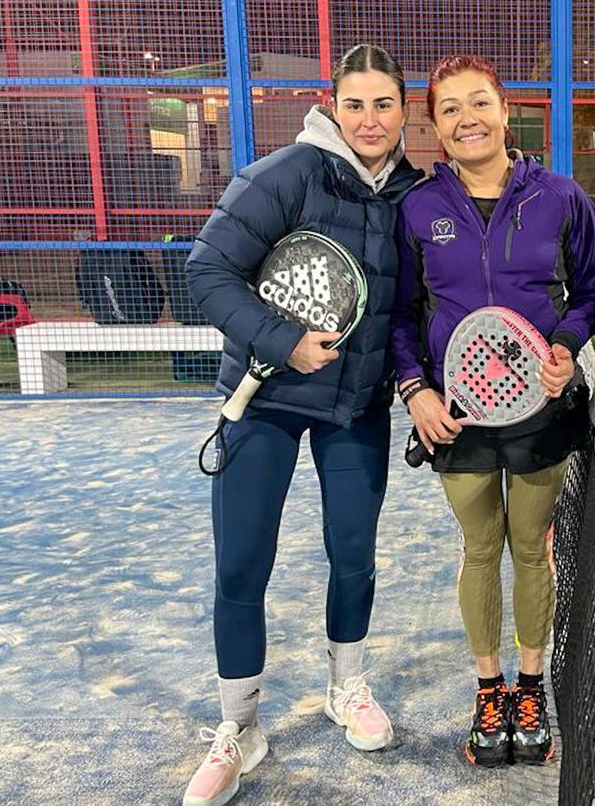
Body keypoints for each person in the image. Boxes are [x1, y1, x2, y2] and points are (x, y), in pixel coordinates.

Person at [183, 44, 425, 805]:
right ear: (332, 105)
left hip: (356, 409)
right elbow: (207, 270)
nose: (370, 119)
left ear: (403, 109)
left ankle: (345, 688)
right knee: (241, 566)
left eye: (384, 104)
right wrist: (282, 340)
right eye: (355, 104)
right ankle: (239, 728)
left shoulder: (414, 193)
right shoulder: (284, 174)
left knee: (353, 553)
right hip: (267, 404)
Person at [390, 55, 595, 768]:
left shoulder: (561, 196)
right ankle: (490, 690)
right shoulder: (417, 208)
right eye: (449, 109)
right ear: (436, 127)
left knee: (531, 545)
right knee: (481, 547)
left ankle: (532, 685)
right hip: (458, 413)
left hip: (540, 407)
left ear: (506, 111)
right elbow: (399, 314)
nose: (467, 118)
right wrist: (416, 389)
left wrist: (568, 346)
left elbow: (592, 288)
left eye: (479, 103)